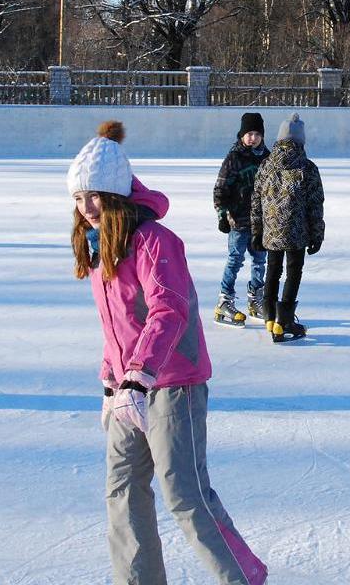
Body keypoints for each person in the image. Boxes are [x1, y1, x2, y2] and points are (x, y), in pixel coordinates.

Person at [68, 121, 267, 585]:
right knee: (122, 492)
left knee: (185, 494)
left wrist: (140, 375)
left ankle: (242, 579)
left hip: (172, 383)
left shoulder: (156, 242)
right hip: (127, 389)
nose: (86, 208)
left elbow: (168, 311)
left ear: (116, 194)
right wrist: (110, 380)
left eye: (94, 196)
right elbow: (117, 326)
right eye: (78, 199)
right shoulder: (102, 249)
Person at [249, 113, 324, 344]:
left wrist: (256, 230)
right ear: (301, 140)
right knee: (293, 273)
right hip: (297, 232)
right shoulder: (307, 168)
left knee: (273, 270)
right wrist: (317, 234)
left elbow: (256, 199)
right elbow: (314, 204)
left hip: (271, 231)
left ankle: (270, 317)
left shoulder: (266, 165)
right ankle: (284, 322)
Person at [212, 112, 269, 327]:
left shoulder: (267, 158)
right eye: (248, 134)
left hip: (261, 222)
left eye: (256, 134)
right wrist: (222, 215)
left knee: (260, 261)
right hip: (238, 220)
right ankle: (224, 300)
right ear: (242, 135)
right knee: (235, 260)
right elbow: (220, 189)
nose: (252, 138)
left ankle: (256, 298)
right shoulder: (233, 158)